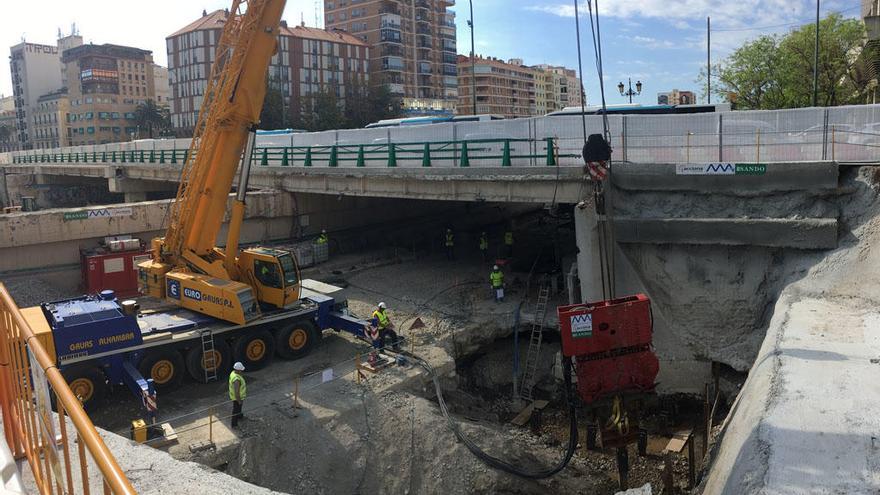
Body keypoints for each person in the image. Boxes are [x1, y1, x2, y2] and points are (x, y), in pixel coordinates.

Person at [229, 362, 247, 428]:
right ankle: (234, 424)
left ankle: (240, 416)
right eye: (241, 370)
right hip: (237, 398)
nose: (242, 371)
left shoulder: (233, 373)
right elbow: (236, 392)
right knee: (235, 410)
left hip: (237, 397)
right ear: (237, 370)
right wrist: (239, 400)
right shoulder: (236, 380)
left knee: (239, 408)